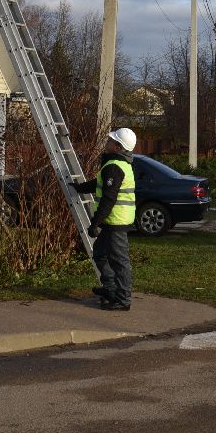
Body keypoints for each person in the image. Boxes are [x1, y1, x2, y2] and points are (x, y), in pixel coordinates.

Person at [74, 127, 137, 311]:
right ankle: (110, 289)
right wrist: (81, 188)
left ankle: (123, 299)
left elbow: (109, 198)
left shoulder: (114, 167)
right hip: (113, 221)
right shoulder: (117, 164)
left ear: (118, 147)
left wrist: (95, 223)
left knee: (120, 261)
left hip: (116, 221)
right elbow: (99, 184)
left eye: (111, 140)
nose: (107, 142)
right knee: (100, 254)